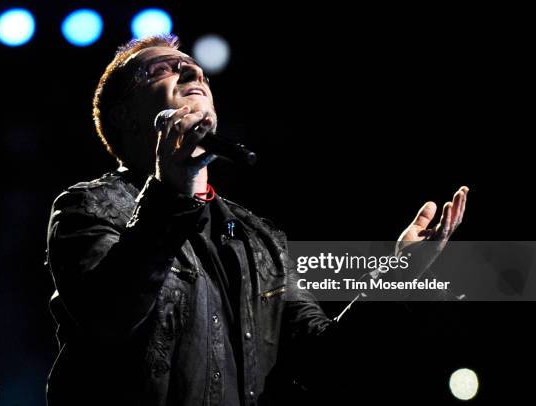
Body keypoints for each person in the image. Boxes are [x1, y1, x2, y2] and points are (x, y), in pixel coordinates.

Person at [44, 34, 468, 405]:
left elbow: (329, 365)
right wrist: (171, 189)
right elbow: (108, 319)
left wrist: (397, 276)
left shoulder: (258, 240)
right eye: (164, 69)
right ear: (126, 116)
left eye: (197, 71)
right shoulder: (88, 209)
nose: (192, 72)